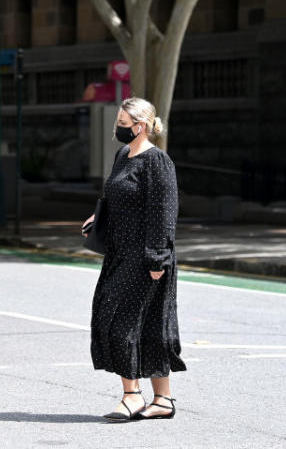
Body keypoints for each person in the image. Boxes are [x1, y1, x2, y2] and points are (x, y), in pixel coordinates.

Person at [81, 97, 185, 422]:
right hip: (119, 253)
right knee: (149, 324)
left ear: (140, 126)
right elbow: (114, 197)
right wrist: (97, 220)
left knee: (119, 321)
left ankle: (132, 395)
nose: (119, 129)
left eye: (124, 125)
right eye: (118, 123)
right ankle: (163, 400)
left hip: (146, 258)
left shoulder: (158, 162)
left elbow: (164, 215)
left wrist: (157, 261)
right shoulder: (123, 155)